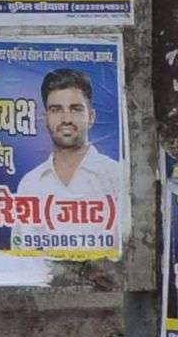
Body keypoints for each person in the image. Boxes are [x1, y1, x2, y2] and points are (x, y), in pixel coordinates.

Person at [13, 67, 124, 227]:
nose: (66, 119)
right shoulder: (30, 184)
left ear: (91, 117)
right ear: (45, 118)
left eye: (76, 109)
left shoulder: (116, 176)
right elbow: (22, 248)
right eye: (56, 110)